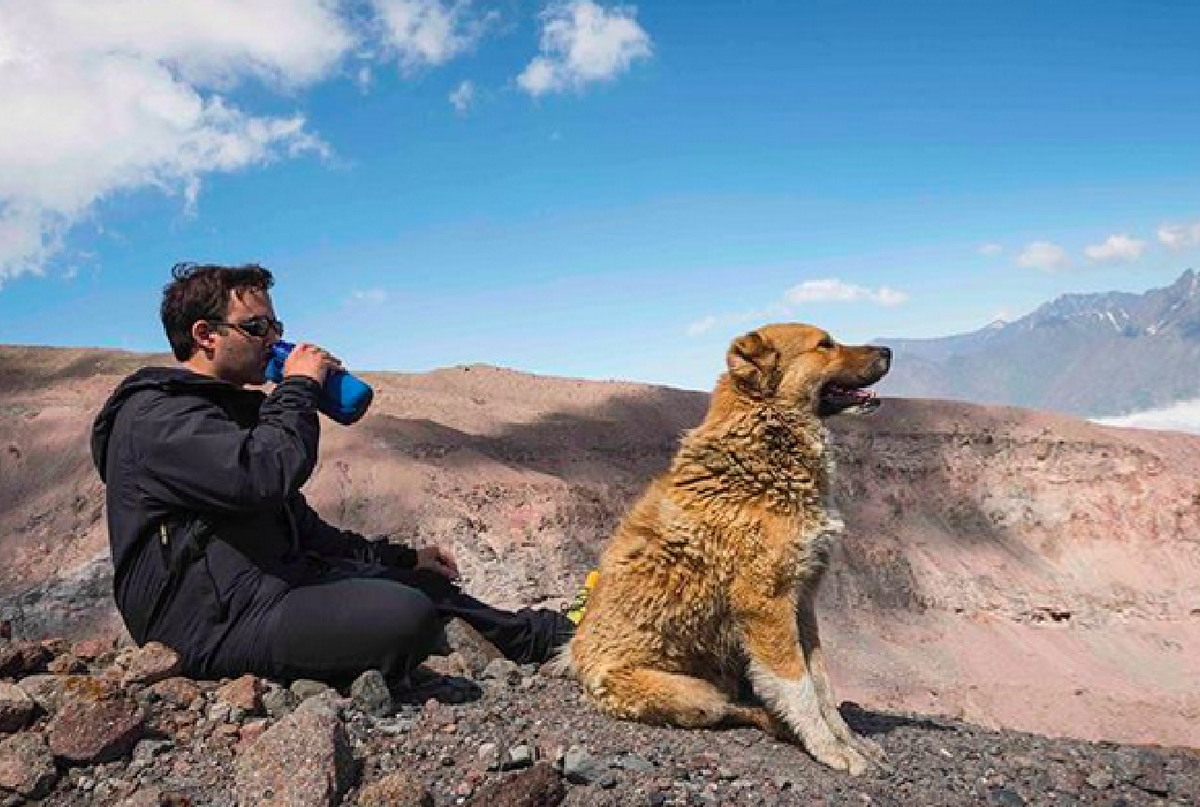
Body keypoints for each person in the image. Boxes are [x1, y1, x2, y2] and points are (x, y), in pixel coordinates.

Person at [90, 263, 573, 683]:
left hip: (268, 587)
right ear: (205, 335)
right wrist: (298, 386)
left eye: (276, 325)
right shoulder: (157, 418)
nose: (275, 340)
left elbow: (298, 526)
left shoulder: (223, 413)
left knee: (421, 586)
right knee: (403, 616)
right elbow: (263, 475)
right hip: (203, 624)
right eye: (257, 328)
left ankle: (556, 637)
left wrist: (401, 559)